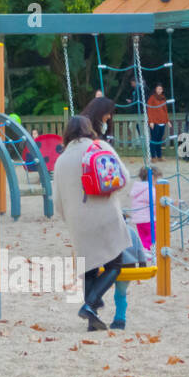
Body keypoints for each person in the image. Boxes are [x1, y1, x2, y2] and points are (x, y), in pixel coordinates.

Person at [52, 116, 131, 331]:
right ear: (89, 130)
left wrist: (69, 216)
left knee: (89, 267)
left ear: (67, 133)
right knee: (116, 263)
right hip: (106, 214)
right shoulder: (100, 147)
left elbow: (57, 200)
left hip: (78, 220)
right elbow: (124, 177)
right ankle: (89, 305)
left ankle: (92, 319)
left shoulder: (61, 160)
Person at [146, 84, 169, 160]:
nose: (159, 90)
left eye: (161, 89)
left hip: (162, 121)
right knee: (154, 139)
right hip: (155, 122)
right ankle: (153, 156)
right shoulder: (152, 98)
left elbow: (165, 110)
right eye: (158, 89)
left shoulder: (163, 98)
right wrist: (151, 121)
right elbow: (149, 110)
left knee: (159, 140)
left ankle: (159, 156)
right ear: (155, 89)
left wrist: (167, 121)